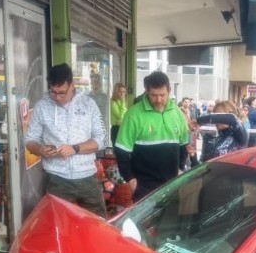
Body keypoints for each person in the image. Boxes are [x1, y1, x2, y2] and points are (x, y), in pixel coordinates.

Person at [24, 63, 107, 217]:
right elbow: (30, 140)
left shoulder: (89, 104)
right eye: (53, 92)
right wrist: (39, 149)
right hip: (57, 179)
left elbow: (101, 139)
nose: (57, 97)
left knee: (98, 223)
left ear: (72, 86)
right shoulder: (42, 106)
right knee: (61, 226)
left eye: (62, 92)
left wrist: (75, 148)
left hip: (87, 177)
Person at [114, 71, 189, 202]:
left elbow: (183, 144)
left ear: (169, 90)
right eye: (154, 95)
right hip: (143, 187)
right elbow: (121, 150)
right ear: (146, 91)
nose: (158, 99)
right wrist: (130, 179)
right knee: (146, 223)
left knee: (170, 220)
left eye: (162, 95)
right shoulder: (133, 114)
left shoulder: (177, 113)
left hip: (172, 183)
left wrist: (181, 168)